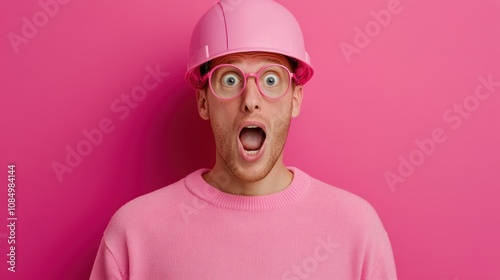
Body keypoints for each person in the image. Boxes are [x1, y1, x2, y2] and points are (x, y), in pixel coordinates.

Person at [90, 0, 397, 279]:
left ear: (295, 99)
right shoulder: (135, 233)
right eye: (230, 79)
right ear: (203, 102)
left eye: (271, 79)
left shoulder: (356, 230)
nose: (251, 100)